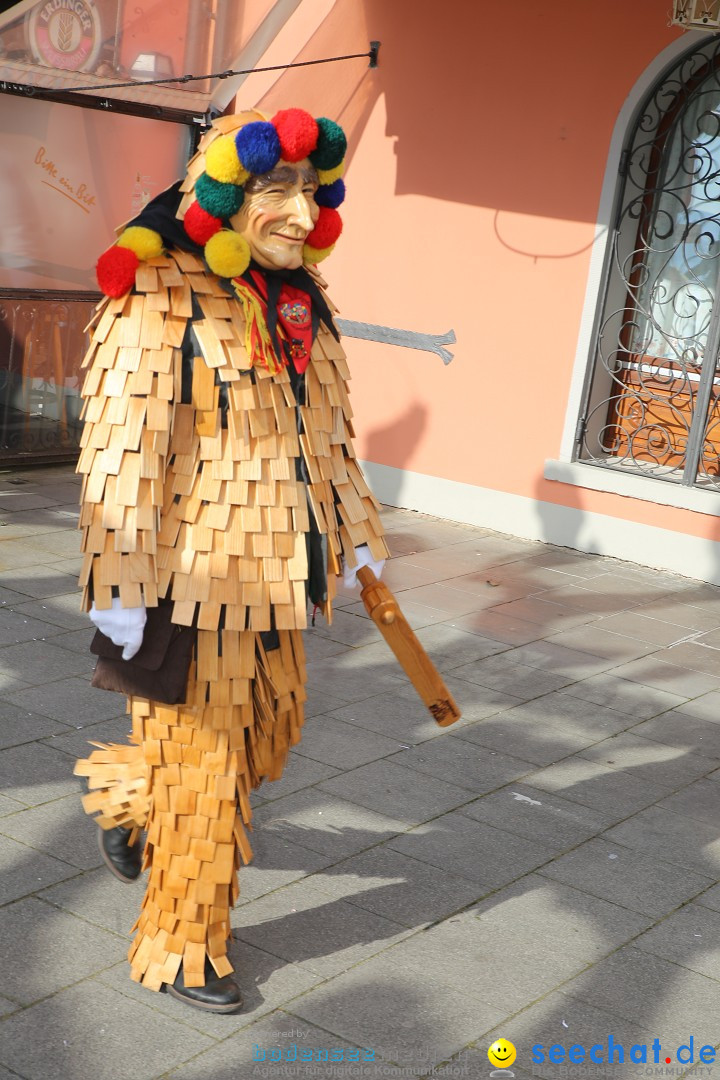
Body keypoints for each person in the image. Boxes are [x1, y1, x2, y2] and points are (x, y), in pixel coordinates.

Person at [74, 108, 388, 1014]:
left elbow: (328, 434)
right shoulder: (158, 291)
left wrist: (359, 536)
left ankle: (127, 794)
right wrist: (119, 583)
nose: (299, 213)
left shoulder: (301, 300)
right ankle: (181, 947)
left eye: (310, 193)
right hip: (190, 581)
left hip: (281, 574)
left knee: (269, 738)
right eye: (277, 192)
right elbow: (121, 447)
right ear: (227, 198)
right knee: (206, 772)